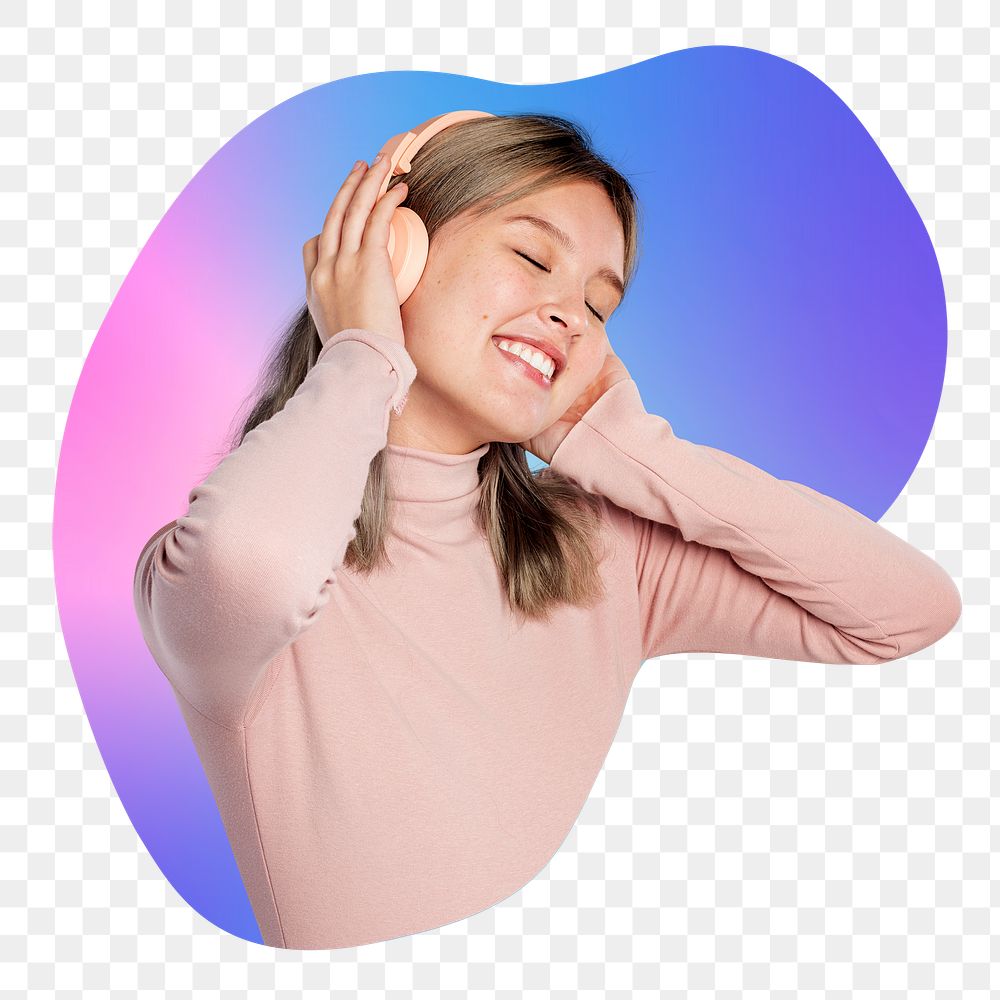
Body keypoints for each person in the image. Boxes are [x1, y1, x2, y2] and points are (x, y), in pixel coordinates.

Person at [132, 111, 962, 950]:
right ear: (393, 251)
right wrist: (361, 350)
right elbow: (251, 567)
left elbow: (908, 611)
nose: (570, 316)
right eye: (533, 259)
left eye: (600, 305)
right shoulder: (221, 573)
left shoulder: (601, 554)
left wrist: (621, 444)